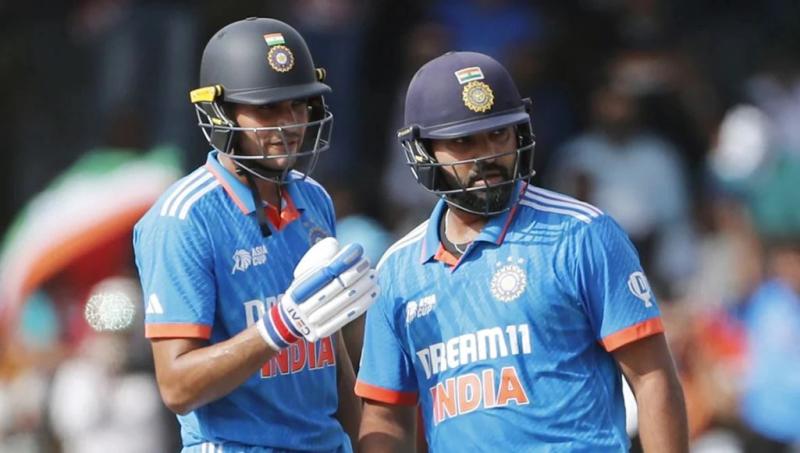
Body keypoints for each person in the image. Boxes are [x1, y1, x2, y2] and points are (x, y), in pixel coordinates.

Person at [355, 51, 688, 452]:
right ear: (423, 151)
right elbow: (385, 416)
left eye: (499, 133)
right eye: (463, 141)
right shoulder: (397, 271)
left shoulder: (582, 233)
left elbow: (652, 378)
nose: (487, 155)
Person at [133, 18, 377, 452]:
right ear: (220, 112)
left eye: (298, 105)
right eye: (267, 109)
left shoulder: (314, 197)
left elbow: (332, 353)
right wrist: (280, 326)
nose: (289, 123)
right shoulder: (183, 218)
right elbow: (177, 387)